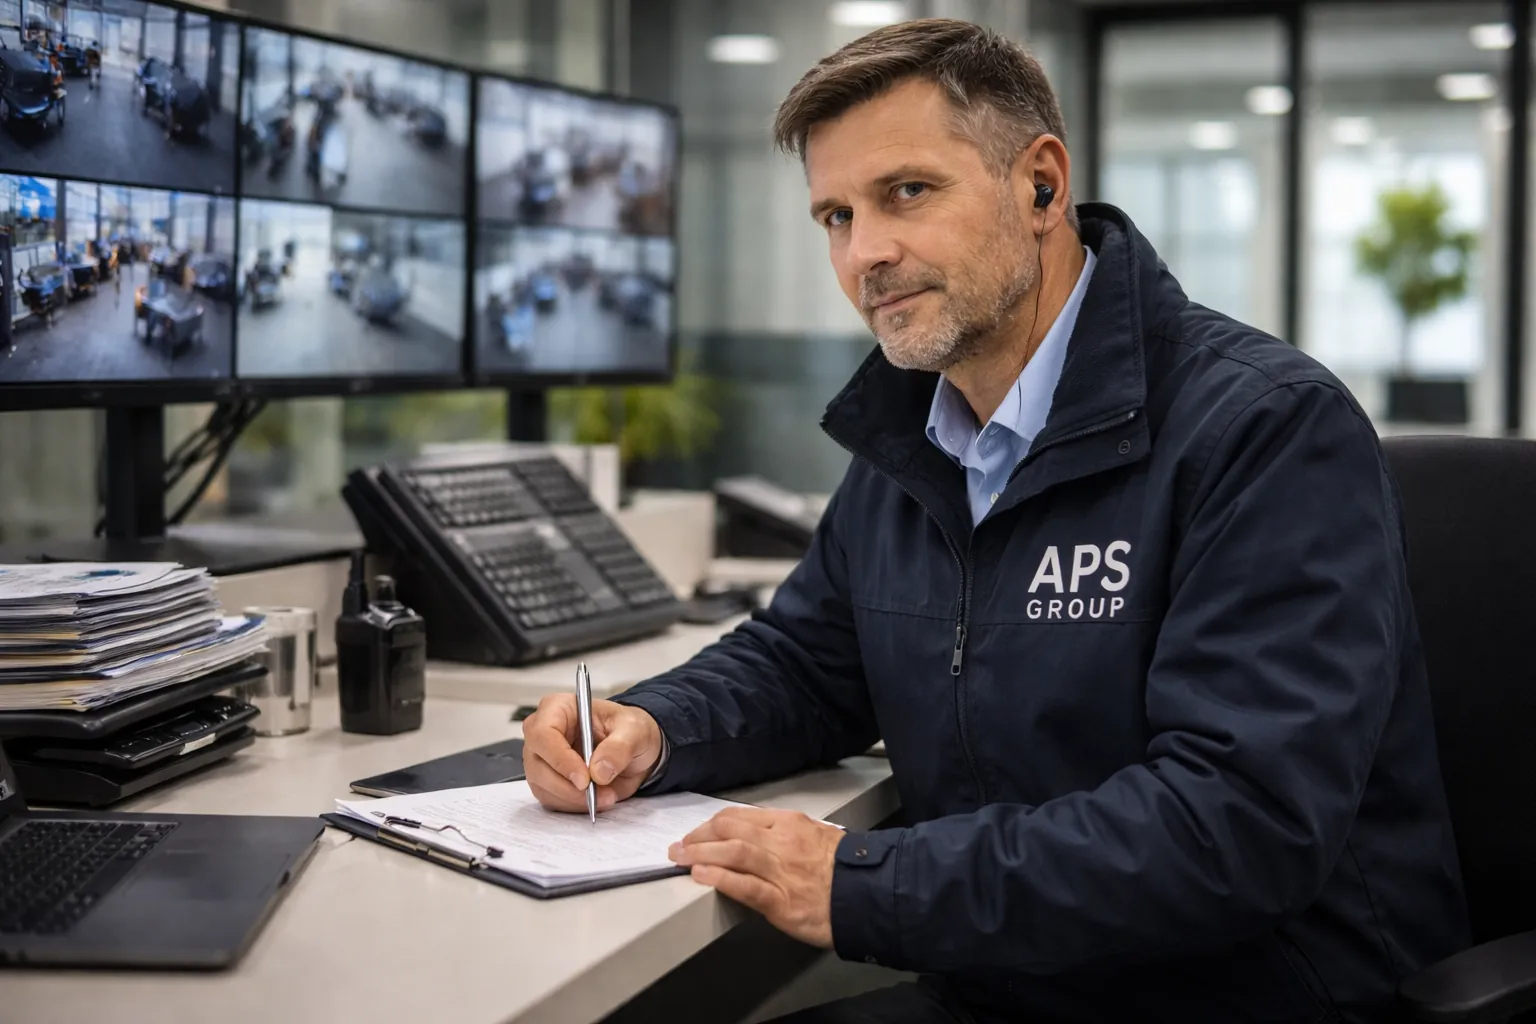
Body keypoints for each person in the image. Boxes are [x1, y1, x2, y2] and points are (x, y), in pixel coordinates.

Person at [521, 18, 1469, 1023]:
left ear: (1041, 186)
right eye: (836, 216)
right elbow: (810, 660)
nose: (866, 254)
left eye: (908, 193)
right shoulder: (915, 431)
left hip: (1249, 994)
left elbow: (1236, 822)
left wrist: (869, 882)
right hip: (1016, 979)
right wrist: (654, 725)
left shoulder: (1264, 426)